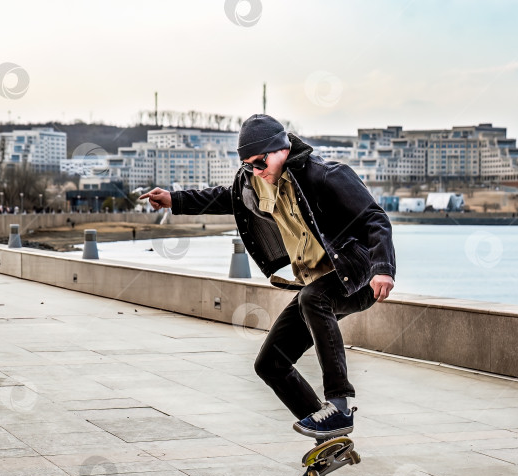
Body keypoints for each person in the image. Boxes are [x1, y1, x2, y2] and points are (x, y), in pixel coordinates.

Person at [140, 114, 395, 442]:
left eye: (261, 163)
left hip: (355, 274)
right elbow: (224, 198)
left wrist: (383, 268)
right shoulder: (254, 181)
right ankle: (329, 436)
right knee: (271, 363)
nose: (257, 171)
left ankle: (339, 407)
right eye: (248, 165)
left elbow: (375, 218)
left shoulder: (326, 175)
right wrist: (175, 199)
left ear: (283, 149)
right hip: (317, 286)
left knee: (313, 298)